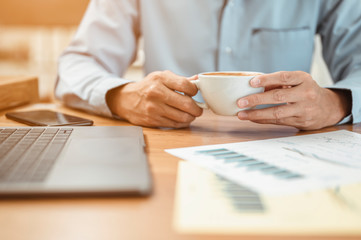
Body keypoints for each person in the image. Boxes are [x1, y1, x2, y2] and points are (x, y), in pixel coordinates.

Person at [55, 0, 361, 130]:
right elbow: (79, 63)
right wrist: (122, 95)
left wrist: (335, 102)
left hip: (287, 151)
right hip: (167, 145)